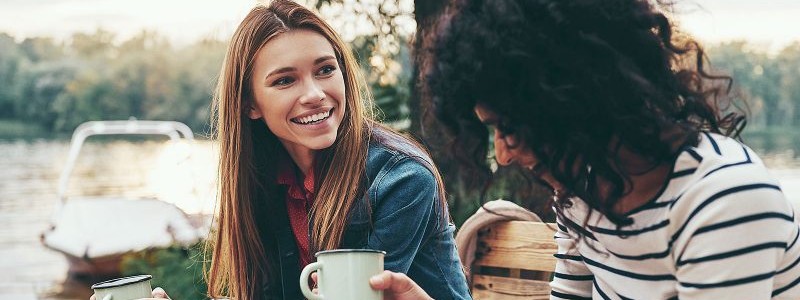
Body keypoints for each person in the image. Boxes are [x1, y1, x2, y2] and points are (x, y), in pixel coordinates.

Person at [371, 0, 800, 299]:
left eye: (510, 127)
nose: (502, 154)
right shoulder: (584, 192)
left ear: (579, 99)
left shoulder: (723, 201)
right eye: (492, 131)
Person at [91, 1, 470, 300]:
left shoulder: (401, 179)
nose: (314, 94)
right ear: (249, 105)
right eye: (285, 80)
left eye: (325, 70)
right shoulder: (263, 179)